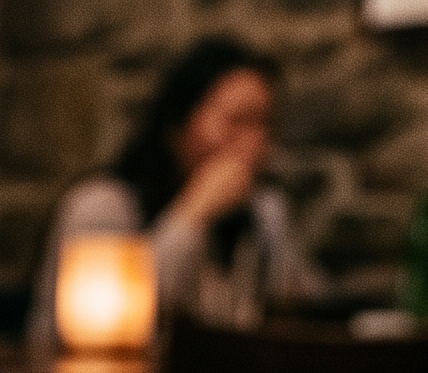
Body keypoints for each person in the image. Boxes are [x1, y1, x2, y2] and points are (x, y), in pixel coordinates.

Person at [28, 37, 322, 348]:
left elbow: (306, 307)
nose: (254, 144)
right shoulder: (103, 205)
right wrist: (193, 212)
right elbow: (106, 329)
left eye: (264, 124)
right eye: (237, 120)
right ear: (178, 124)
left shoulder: (261, 212)